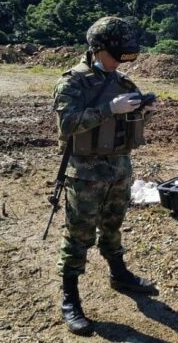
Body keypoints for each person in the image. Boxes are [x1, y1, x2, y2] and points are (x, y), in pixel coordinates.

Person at [52, 17, 157, 336]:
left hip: (118, 168)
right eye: (116, 56)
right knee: (79, 234)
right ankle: (70, 297)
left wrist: (142, 110)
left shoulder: (122, 82)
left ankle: (119, 273)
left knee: (113, 225)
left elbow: (134, 118)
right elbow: (67, 125)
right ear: (97, 50)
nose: (120, 64)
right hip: (84, 173)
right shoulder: (73, 82)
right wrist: (109, 109)